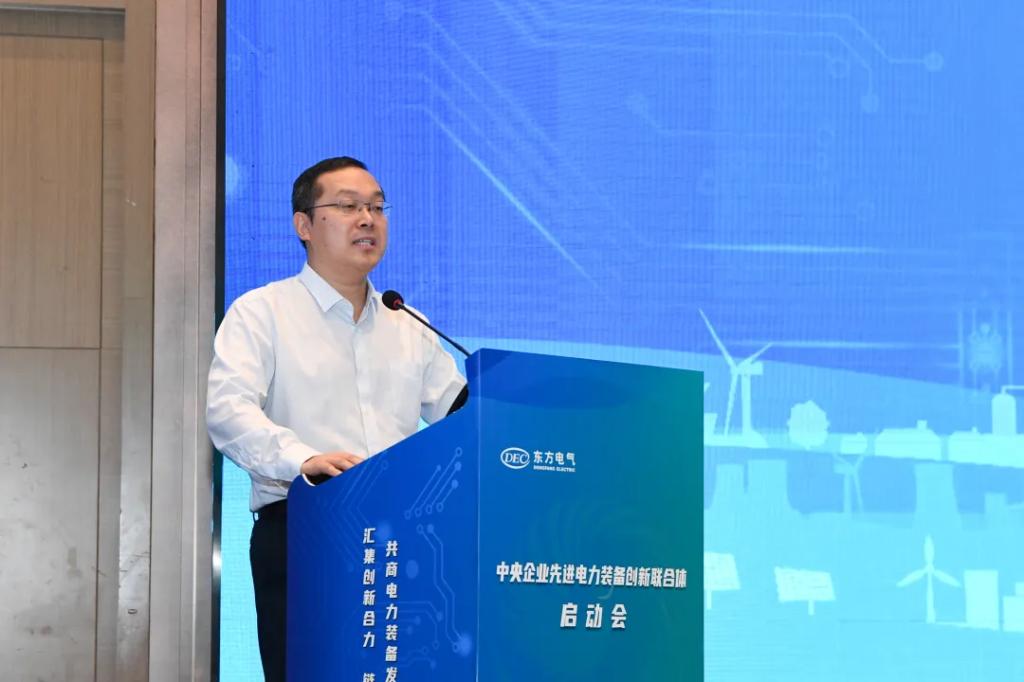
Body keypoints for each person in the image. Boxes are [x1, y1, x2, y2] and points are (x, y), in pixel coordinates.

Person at [206, 156, 467, 681]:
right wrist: (304, 460)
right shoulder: (262, 312)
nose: (368, 219)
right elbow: (228, 412)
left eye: (377, 207)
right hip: (307, 530)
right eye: (348, 206)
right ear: (304, 225)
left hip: (404, 540)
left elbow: (459, 415)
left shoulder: (407, 322)